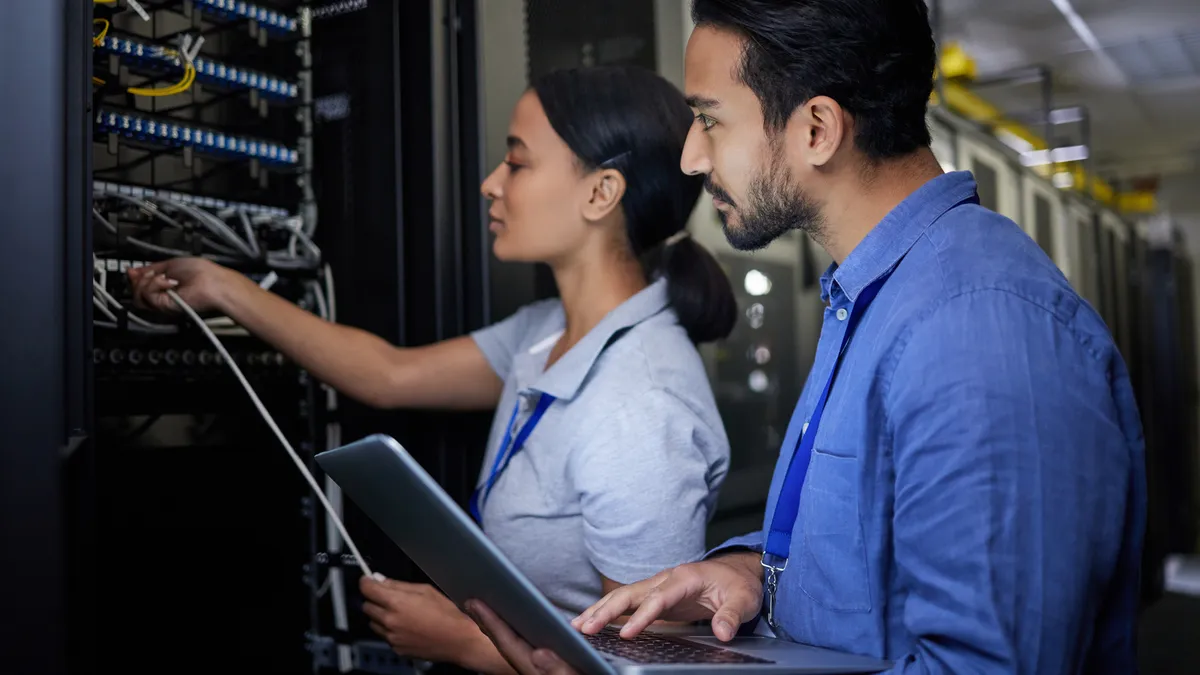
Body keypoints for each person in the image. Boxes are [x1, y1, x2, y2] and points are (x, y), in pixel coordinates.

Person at [465, 1, 1147, 674]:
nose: (691, 158)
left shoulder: (981, 332)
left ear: (817, 129)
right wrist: (747, 572)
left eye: (708, 119)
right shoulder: (875, 298)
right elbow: (864, 553)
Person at [128, 65, 737, 675]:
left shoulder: (638, 406)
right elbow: (389, 375)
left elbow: (653, 666)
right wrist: (223, 288)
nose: (490, 184)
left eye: (518, 163)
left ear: (601, 193)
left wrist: (465, 639)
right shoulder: (548, 330)